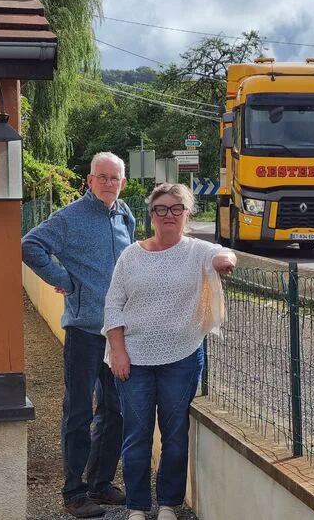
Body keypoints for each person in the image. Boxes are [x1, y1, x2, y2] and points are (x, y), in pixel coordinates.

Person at [103, 183, 236, 520]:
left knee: (175, 434)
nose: (169, 215)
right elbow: (113, 305)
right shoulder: (131, 255)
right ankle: (136, 506)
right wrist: (118, 352)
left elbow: (224, 253)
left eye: (177, 208)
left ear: (187, 214)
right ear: (152, 215)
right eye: (161, 209)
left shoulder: (197, 250)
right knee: (137, 435)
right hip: (134, 360)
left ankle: (167, 504)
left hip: (182, 357)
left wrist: (223, 260)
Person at [22, 152, 136, 518]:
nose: (107, 183)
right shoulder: (69, 218)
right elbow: (30, 246)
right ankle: (74, 492)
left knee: (115, 410)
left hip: (118, 332)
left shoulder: (125, 215)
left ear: (123, 181)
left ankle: (100, 485)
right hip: (85, 331)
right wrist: (64, 281)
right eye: (101, 177)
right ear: (89, 180)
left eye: (114, 178)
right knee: (78, 412)